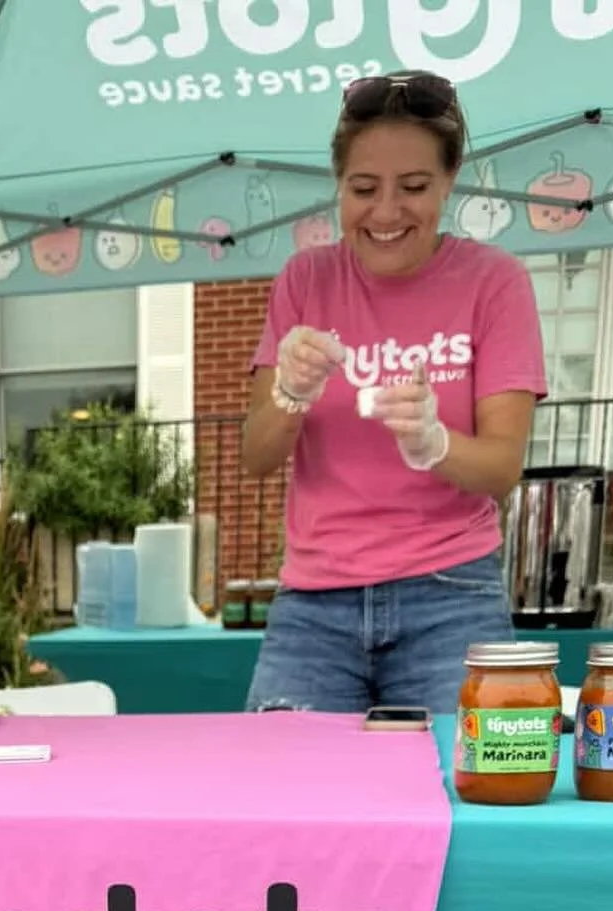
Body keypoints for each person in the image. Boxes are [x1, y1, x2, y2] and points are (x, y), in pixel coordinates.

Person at [243, 70, 547, 716]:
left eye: (413, 187)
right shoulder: (305, 279)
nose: (385, 212)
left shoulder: (494, 283)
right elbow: (257, 455)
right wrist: (291, 393)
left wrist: (434, 442)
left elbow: (500, 469)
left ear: (450, 178)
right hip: (315, 602)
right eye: (362, 189)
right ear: (337, 186)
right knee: (283, 797)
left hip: (451, 593)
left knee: (466, 789)